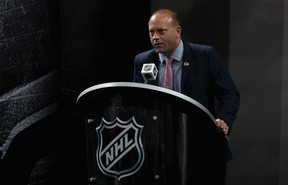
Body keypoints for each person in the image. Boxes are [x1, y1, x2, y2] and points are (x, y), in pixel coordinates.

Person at [133, 8, 240, 159]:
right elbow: (136, 103)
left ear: (177, 31)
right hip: (157, 149)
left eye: (161, 31)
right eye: (151, 32)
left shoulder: (204, 56)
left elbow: (230, 94)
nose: (155, 37)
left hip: (198, 145)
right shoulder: (142, 61)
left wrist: (224, 120)